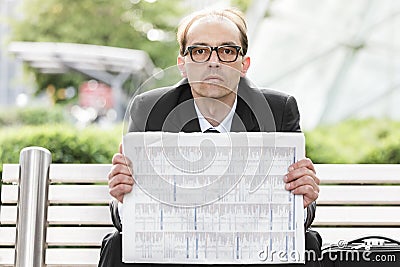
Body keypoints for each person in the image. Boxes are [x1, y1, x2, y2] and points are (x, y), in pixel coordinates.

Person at [99, 7, 322, 267]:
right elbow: (124, 222)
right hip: (175, 253)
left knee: (307, 243)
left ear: (243, 65)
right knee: (117, 243)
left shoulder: (278, 110)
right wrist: (123, 197)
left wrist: (302, 200)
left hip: (250, 251)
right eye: (200, 51)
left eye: (227, 51)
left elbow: (300, 220)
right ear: (182, 64)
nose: (213, 61)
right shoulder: (151, 109)